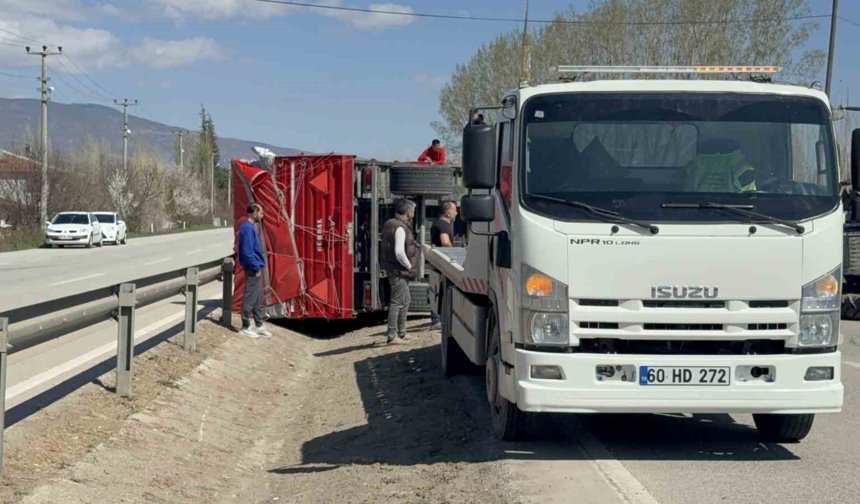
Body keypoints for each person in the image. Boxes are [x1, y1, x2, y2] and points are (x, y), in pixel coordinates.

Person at [380, 199, 417, 344]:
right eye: (413, 210)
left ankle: (402, 333)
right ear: (408, 212)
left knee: (406, 300)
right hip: (399, 270)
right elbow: (399, 252)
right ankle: (392, 335)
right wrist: (409, 266)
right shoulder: (400, 228)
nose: (413, 213)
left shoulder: (390, 223)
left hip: (393, 268)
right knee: (397, 302)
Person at [237, 203, 272, 339]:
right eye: (261, 213)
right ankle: (245, 326)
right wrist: (255, 266)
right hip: (253, 268)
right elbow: (247, 251)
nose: (262, 216)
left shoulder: (251, 227)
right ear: (255, 212)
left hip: (256, 266)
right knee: (250, 296)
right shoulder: (247, 228)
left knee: (258, 298)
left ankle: (259, 326)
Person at [428, 201, 458, 328]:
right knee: (441, 289)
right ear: (448, 212)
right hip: (443, 262)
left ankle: (436, 318)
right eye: (454, 210)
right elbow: (445, 242)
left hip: (437, 261)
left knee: (437, 288)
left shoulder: (437, 223)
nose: (456, 213)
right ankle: (436, 319)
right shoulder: (443, 226)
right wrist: (453, 254)